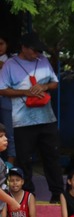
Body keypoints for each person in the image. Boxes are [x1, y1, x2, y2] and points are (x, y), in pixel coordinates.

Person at [0, 32, 63, 202]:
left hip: (47, 117)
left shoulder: (43, 60)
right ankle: (28, 196)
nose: (37, 54)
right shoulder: (10, 65)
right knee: (24, 159)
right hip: (22, 121)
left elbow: (55, 83)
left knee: (52, 156)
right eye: (34, 50)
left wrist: (43, 87)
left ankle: (57, 194)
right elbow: (2, 89)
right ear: (24, 48)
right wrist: (25, 92)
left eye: (38, 50)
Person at [0, 35, 15, 164]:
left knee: (9, 132)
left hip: (6, 98)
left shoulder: (12, 61)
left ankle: (9, 165)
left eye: (1, 43)